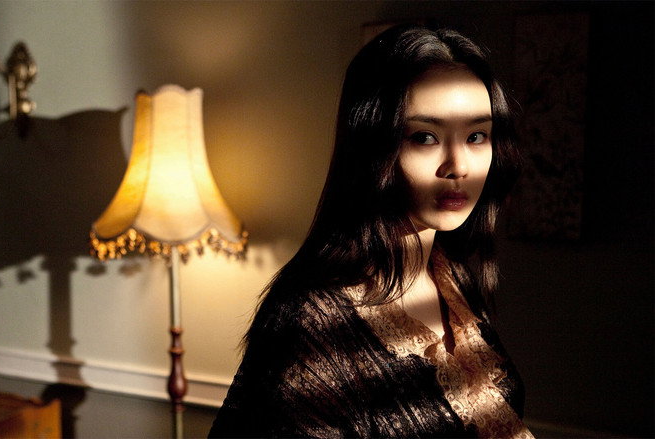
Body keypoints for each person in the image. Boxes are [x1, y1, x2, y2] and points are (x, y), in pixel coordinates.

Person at [209, 25, 534, 438]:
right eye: (425, 137)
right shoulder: (313, 319)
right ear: (373, 147)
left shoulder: (451, 278)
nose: (459, 166)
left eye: (476, 136)